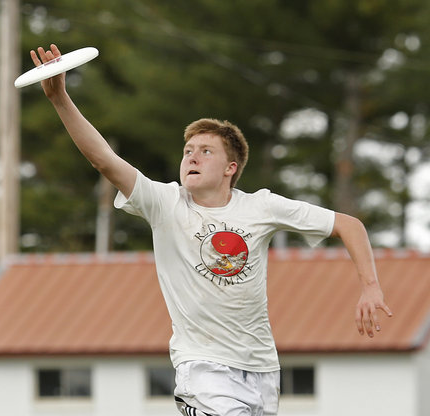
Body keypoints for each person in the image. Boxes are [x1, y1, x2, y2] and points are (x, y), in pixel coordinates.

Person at [29, 44, 392, 416]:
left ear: (230, 167)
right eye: (187, 150)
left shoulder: (261, 206)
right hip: (203, 368)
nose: (191, 157)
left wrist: (370, 286)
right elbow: (103, 159)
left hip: (263, 369)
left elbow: (349, 225)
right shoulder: (164, 203)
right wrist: (60, 99)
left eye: (205, 151)